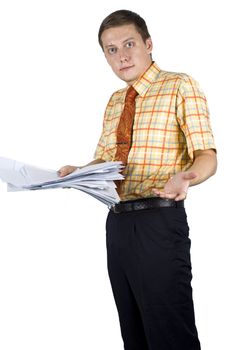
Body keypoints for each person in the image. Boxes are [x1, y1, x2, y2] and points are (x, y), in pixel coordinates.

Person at [58, 9, 217, 350]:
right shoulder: (116, 101)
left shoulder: (179, 85)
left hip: (159, 220)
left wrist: (188, 176)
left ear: (148, 43)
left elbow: (207, 155)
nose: (122, 55)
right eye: (111, 50)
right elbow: (107, 160)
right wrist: (80, 172)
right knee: (134, 334)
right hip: (117, 225)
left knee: (170, 333)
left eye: (129, 44)